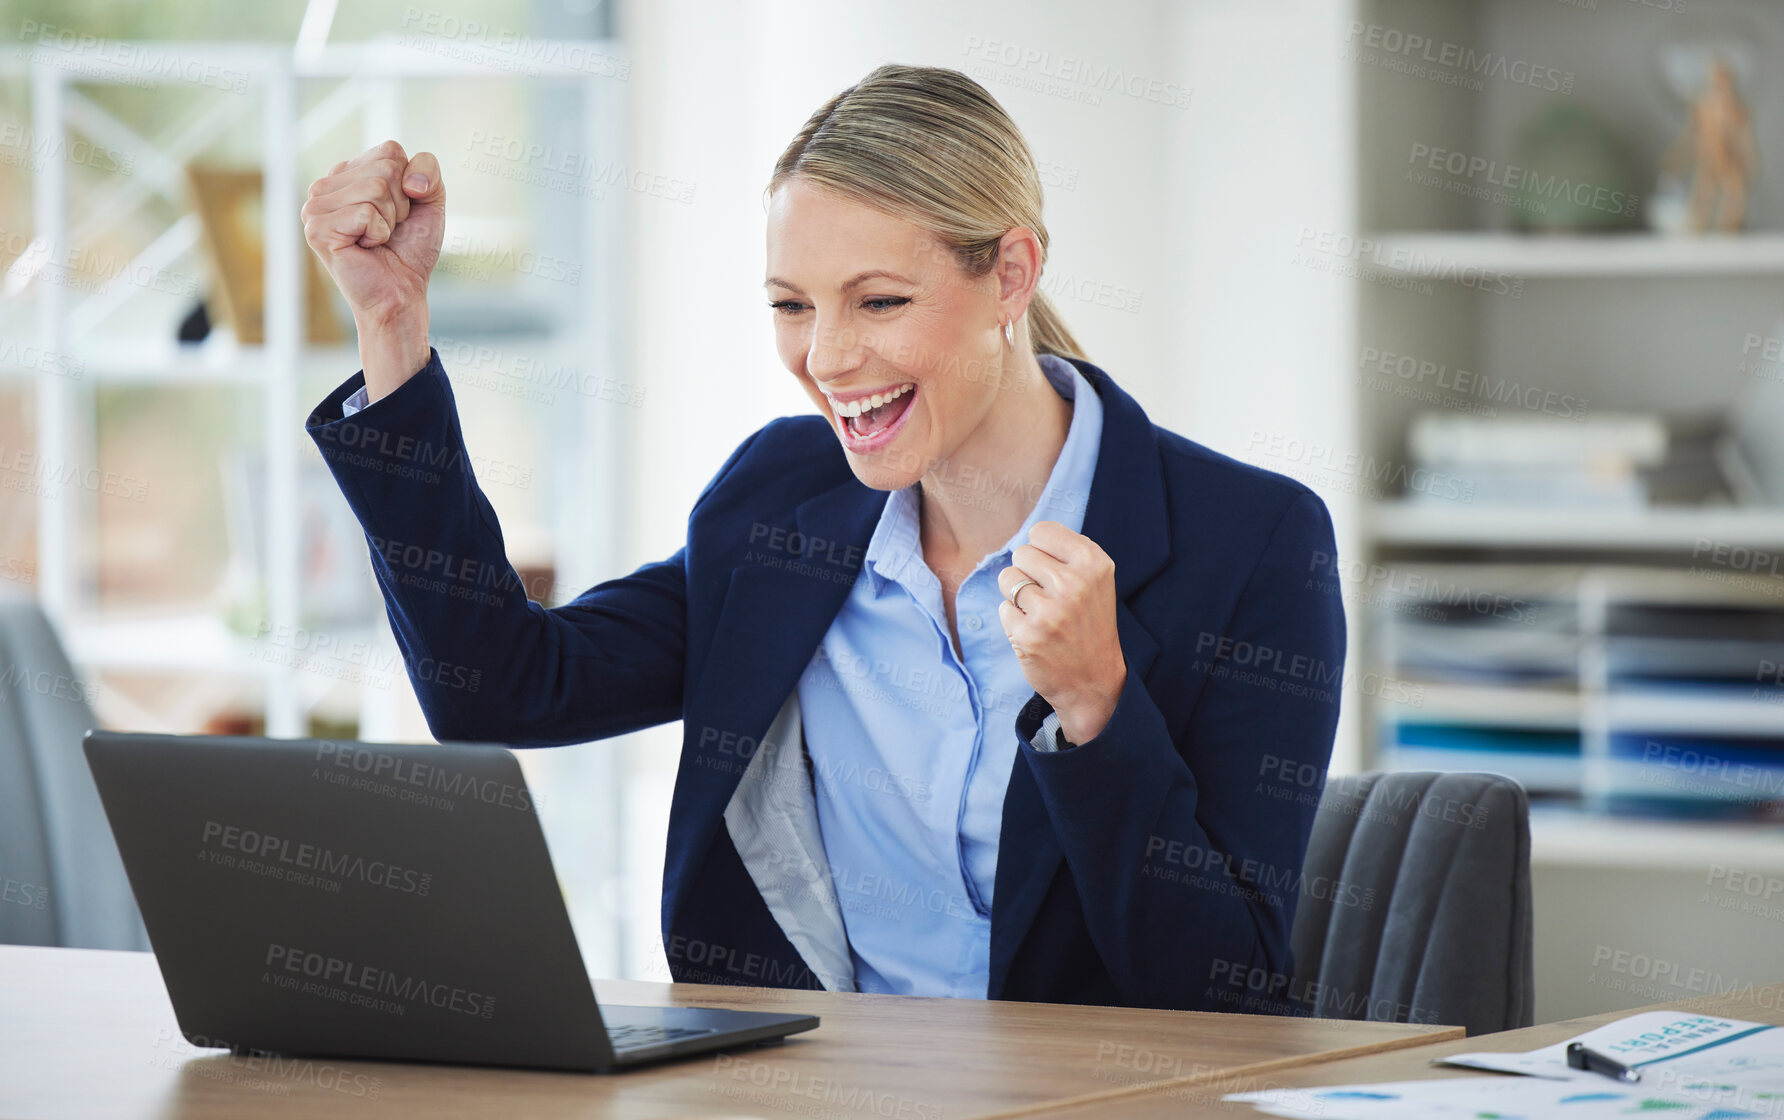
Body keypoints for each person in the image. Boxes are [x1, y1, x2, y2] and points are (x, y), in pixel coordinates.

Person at [300, 63, 1345, 1012]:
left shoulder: (1248, 545)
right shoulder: (777, 504)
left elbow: (1232, 1000)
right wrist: (391, 324)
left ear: (1011, 275)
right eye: (790, 305)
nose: (829, 356)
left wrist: (1097, 709)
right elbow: (502, 684)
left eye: (879, 301)